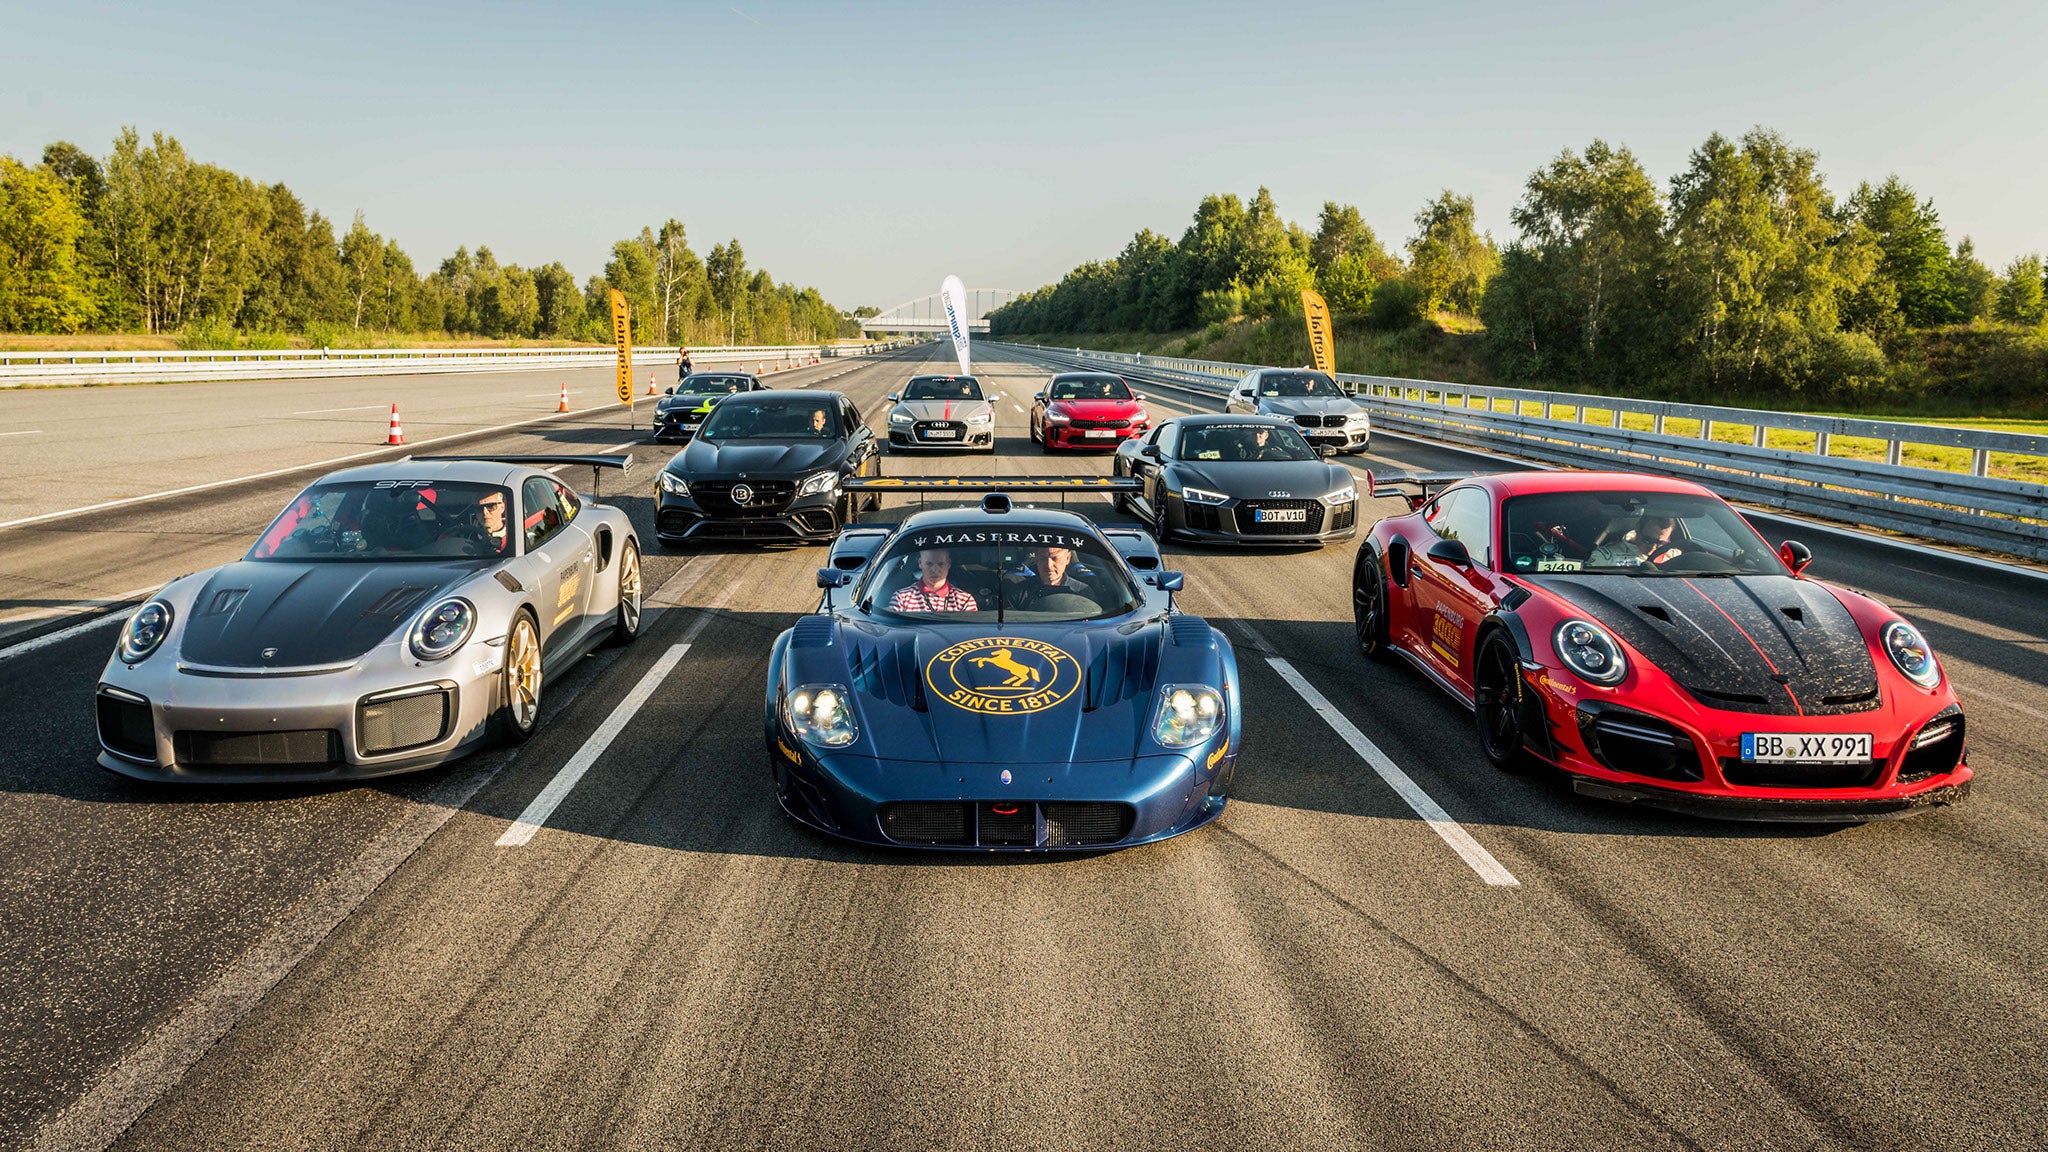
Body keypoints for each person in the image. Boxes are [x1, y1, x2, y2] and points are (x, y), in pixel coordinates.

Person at [890, 549, 979, 612]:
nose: (935, 569)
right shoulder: (901, 598)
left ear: (949, 564)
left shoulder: (965, 600)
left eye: (940, 564)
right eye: (929, 564)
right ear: (920, 563)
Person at [1008, 545, 1092, 611]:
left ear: (1067, 558)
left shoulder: (1083, 592)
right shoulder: (1018, 593)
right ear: (1036, 558)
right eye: (1043, 558)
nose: (1048, 565)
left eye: (1054, 558)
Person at [1589, 513, 1683, 568]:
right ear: (1637, 529)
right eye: (1648, 540)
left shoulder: (1675, 557)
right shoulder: (1605, 557)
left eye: (1660, 543)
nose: (1653, 547)